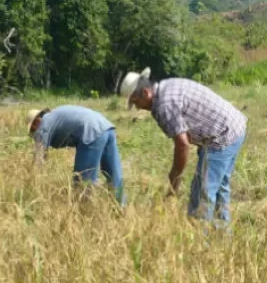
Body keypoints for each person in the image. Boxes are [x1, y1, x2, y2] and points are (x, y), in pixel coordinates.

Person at [120, 67, 248, 227]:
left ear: (145, 93)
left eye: (136, 102)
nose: (138, 108)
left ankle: (202, 242)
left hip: (221, 135)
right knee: (220, 186)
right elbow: (185, 133)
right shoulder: (166, 86)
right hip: (235, 125)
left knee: (202, 193)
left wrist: (174, 182)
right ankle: (222, 236)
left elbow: (182, 145)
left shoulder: (163, 106)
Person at [27, 105, 125, 204]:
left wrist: (31, 186)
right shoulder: (55, 114)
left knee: (83, 181)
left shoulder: (43, 126)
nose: (35, 134)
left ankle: (84, 212)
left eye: (32, 130)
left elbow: (38, 160)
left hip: (90, 132)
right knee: (114, 175)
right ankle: (121, 208)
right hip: (106, 127)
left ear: (36, 123)